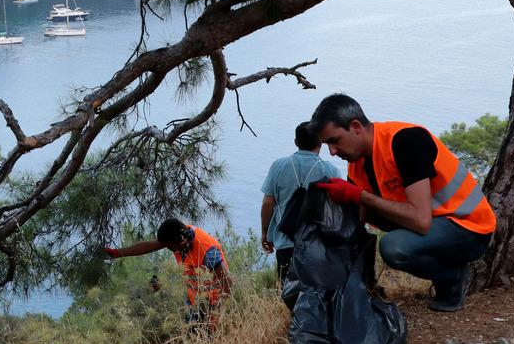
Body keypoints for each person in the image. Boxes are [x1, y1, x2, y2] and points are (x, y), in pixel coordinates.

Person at [307, 93, 497, 312]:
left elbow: (420, 220)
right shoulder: (357, 163)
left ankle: (452, 278)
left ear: (356, 126)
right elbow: (358, 220)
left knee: (393, 247)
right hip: (436, 224)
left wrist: (359, 195)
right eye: (327, 145)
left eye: (334, 141)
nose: (332, 152)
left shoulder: (405, 141)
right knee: (362, 210)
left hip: (470, 228)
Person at [260, 121, 338, 287]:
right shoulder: (330, 170)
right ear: (320, 143)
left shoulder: (278, 166)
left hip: (285, 241)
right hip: (318, 243)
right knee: (317, 291)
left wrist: (265, 232)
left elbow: (268, 203)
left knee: (288, 290)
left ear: (296, 142)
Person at [104, 219, 232, 317]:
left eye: (169, 246)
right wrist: (117, 253)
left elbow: (228, 282)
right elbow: (147, 246)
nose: (168, 249)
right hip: (194, 298)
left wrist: (218, 311)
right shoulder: (180, 236)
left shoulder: (207, 251)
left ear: (181, 242)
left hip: (212, 304)